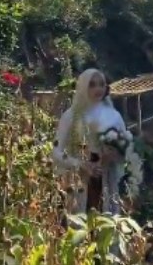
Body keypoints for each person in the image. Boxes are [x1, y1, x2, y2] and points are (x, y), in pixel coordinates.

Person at [51, 68, 129, 216]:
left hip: (107, 177)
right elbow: (55, 152)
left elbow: (125, 149)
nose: (98, 88)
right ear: (82, 86)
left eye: (101, 84)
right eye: (92, 84)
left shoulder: (114, 116)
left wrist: (114, 153)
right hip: (79, 182)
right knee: (81, 224)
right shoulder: (71, 116)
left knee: (107, 224)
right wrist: (80, 164)